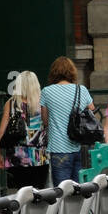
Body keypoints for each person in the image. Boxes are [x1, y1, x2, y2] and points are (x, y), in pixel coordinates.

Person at [40, 56, 93, 185]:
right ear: (72, 71)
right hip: (80, 145)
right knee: (79, 188)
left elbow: (45, 120)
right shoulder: (82, 89)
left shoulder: (47, 91)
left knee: (62, 190)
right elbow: (91, 111)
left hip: (58, 148)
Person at [0, 70, 48, 190]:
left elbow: (2, 131)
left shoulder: (11, 103)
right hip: (40, 155)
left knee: (22, 192)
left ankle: (22, 209)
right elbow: (47, 124)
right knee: (39, 192)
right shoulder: (42, 102)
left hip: (17, 156)